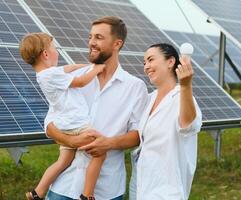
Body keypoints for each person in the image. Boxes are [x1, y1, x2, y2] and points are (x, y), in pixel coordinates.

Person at [44, 16, 148, 200]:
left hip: (106, 189)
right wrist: (72, 142)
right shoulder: (73, 78)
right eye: (90, 37)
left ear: (117, 43)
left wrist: (108, 144)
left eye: (99, 38)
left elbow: (139, 135)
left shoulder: (135, 87)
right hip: (64, 186)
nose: (91, 42)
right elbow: (50, 125)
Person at [19, 32, 106, 200]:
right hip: (76, 124)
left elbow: (66, 69)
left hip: (64, 124)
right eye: (54, 48)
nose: (57, 51)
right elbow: (80, 82)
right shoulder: (50, 75)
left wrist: (83, 66)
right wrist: (96, 68)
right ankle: (87, 195)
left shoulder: (45, 74)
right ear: (45, 54)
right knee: (100, 153)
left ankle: (37, 192)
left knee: (64, 161)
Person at [130, 43, 202, 200]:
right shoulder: (150, 99)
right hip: (143, 187)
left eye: (151, 60)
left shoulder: (182, 98)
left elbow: (188, 125)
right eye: (144, 63)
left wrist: (186, 86)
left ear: (170, 62)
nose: (146, 67)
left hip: (168, 191)